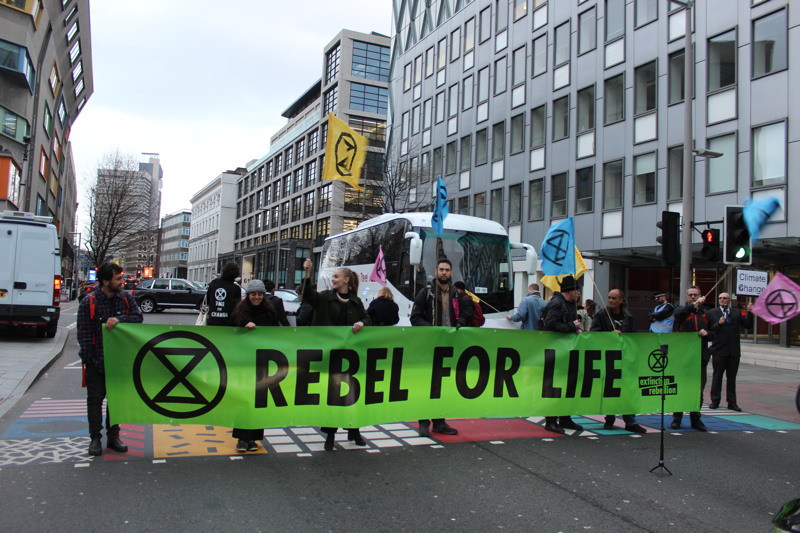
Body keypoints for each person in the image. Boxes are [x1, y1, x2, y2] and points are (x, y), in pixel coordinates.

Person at [302, 257, 371, 451]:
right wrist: (307, 274)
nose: (333, 279)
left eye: (336, 276)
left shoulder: (356, 302)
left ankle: (354, 431)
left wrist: (362, 323)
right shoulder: (324, 298)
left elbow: (367, 318)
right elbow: (308, 296)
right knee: (332, 395)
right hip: (329, 355)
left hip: (350, 357)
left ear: (346, 280)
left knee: (353, 394)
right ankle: (330, 434)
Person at [77, 262, 143, 456]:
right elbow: (84, 335)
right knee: (95, 400)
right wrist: (91, 360)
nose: (122, 282)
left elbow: (138, 318)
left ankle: (113, 436)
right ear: (106, 281)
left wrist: (119, 319)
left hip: (119, 361)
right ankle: (95, 438)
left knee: (115, 401)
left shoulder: (125, 298)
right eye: (118, 279)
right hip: (96, 362)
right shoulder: (89, 302)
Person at [410, 258, 473, 437]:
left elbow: (467, 313)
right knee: (426, 385)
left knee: (443, 386)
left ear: (451, 273)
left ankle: (439, 422)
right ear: (436, 271)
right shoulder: (426, 293)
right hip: (429, 346)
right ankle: (423, 422)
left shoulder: (457, 294)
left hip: (449, 347)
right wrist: (432, 330)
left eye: (447, 270)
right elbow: (415, 318)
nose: (444, 272)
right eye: (441, 269)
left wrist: (461, 321)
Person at [228, 279, 279, 452]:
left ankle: (254, 439)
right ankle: (242, 438)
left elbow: (277, 331)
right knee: (244, 399)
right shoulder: (239, 311)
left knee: (259, 400)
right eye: (253, 294)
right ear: (248, 295)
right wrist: (243, 325)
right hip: (244, 362)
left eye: (259, 294)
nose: (256, 297)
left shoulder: (270, 311)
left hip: (262, 362)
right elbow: (230, 330)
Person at [591, 289, 645, 433]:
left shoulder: (628, 316)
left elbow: (633, 337)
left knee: (628, 389)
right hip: (608, 357)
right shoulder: (602, 314)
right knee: (611, 388)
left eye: (614, 298)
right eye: (609, 297)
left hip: (625, 357)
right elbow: (593, 334)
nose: (611, 300)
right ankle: (609, 419)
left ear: (621, 300)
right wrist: (610, 335)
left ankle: (630, 421)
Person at [540, 275, 584, 434]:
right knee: (555, 385)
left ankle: (565, 418)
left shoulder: (570, 304)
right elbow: (550, 325)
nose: (579, 292)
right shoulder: (557, 303)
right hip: (556, 351)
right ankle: (551, 421)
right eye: (577, 289)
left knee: (569, 385)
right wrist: (571, 326)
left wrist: (575, 328)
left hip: (566, 351)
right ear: (569, 290)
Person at [670, 286, 711, 431]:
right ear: (687, 297)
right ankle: (677, 417)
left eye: (696, 295)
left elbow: (713, 332)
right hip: (683, 357)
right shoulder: (681, 311)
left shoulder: (706, 314)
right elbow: (678, 314)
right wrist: (693, 306)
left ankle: (696, 418)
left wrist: (707, 333)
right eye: (691, 295)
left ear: (700, 295)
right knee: (681, 387)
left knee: (698, 389)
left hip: (700, 357)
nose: (693, 297)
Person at [706, 293, 754, 411]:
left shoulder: (736, 312)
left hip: (733, 351)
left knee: (731, 379)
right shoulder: (712, 313)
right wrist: (719, 323)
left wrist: (750, 312)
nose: (722, 300)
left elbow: (748, 325)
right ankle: (715, 401)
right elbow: (710, 330)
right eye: (720, 298)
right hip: (719, 350)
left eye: (725, 298)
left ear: (729, 300)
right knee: (717, 376)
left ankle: (732, 402)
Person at [206, 262, 242, 326]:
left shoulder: (214, 283)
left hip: (212, 321)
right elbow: (237, 307)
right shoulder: (235, 288)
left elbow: (208, 300)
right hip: (228, 323)